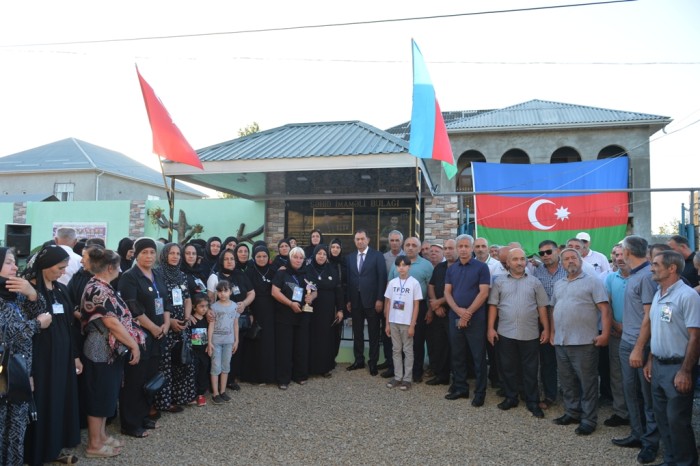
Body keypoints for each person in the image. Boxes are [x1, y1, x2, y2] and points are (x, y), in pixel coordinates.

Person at [80, 247, 143, 458]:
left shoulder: (103, 286)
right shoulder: (98, 289)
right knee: (99, 395)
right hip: (100, 349)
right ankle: (94, 444)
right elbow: (112, 323)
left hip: (108, 349)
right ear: (109, 267)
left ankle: (102, 435)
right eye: (117, 265)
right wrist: (133, 345)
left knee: (107, 394)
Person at [22, 245, 82, 466]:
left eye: (65, 267)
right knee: (43, 402)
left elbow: (68, 324)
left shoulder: (60, 289)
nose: (63, 272)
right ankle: (38, 452)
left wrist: (74, 355)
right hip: (41, 359)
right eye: (59, 267)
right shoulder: (29, 292)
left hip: (62, 357)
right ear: (45, 267)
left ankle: (54, 447)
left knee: (58, 401)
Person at [644, 250, 700, 466]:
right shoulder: (659, 293)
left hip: (678, 367)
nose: (652, 267)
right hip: (658, 365)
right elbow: (658, 331)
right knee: (663, 419)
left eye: (656, 264)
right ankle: (670, 460)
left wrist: (686, 371)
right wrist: (650, 359)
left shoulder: (688, 296)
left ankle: (686, 462)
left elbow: (695, 337)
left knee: (677, 420)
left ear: (672, 268)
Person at [550, 248, 611, 436]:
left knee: (588, 383)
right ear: (561, 263)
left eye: (573, 258)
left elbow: (605, 310)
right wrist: (552, 332)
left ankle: (589, 419)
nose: (570, 261)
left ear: (580, 260)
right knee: (567, 381)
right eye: (566, 259)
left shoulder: (593, 282)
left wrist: (605, 334)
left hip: (584, 341)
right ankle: (572, 412)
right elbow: (554, 308)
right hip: (561, 341)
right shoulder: (558, 283)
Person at [612, 235, 660, 464]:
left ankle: (651, 443)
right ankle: (637, 434)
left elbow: (649, 317)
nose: (620, 254)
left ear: (628, 252)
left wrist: (639, 348)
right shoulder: (634, 275)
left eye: (621, 250)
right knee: (631, 391)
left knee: (647, 396)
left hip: (640, 345)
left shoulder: (647, 277)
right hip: (628, 342)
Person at [0, 247, 50, 466]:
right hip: (3, 372)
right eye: (9, 262)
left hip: (19, 370)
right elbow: (8, 333)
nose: (15, 267)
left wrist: (32, 293)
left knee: (17, 426)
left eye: (14, 262)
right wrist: (37, 324)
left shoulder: (15, 292)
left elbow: (41, 310)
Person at [487, 248, 550, 418]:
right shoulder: (500, 282)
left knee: (530, 369)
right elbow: (493, 305)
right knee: (508, 368)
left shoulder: (535, 282)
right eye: (515, 259)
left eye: (522, 259)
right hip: (505, 332)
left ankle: (532, 401)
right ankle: (511, 397)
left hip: (529, 333)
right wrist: (490, 328)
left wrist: (546, 329)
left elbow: (542, 307)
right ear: (508, 262)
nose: (520, 262)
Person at [118, 237, 170, 438]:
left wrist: (165, 323)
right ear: (136, 254)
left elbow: (164, 300)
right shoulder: (129, 277)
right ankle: (130, 423)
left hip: (159, 334)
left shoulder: (157, 273)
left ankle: (143, 415)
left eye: (151, 252)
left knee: (150, 377)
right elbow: (132, 307)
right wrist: (153, 328)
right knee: (135, 379)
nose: (148, 256)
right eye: (144, 252)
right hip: (140, 336)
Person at [444, 234, 490, 406]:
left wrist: (467, 313)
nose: (463, 249)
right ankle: (461, 388)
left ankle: (480, 393)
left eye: (466, 246)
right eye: (460, 246)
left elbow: (484, 293)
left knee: (478, 357)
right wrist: (458, 311)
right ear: (457, 248)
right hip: (454, 317)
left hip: (476, 319)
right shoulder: (452, 269)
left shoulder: (481, 267)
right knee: (457, 355)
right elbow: (447, 292)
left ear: (471, 248)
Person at [206, 248, 255, 388]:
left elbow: (252, 293)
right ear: (221, 261)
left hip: (238, 319)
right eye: (226, 259)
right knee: (219, 353)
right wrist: (209, 311)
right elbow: (209, 298)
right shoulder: (215, 277)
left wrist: (244, 303)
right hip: (221, 322)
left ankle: (231, 379)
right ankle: (217, 383)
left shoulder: (241, 275)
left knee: (235, 349)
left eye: (232, 259)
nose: (230, 261)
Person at [387, 236, 433, 383]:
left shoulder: (427, 265)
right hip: (396, 312)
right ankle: (397, 373)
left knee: (417, 342)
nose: (411, 247)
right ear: (403, 247)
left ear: (419, 248)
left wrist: (430, 309)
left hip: (417, 309)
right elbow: (389, 289)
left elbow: (431, 288)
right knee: (397, 346)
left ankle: (416, 372)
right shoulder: (397, 265)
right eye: (408, 245)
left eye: (414, 245)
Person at [156, 243, 195, 413]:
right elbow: (157, 303)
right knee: (166, 364)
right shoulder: (157, 275)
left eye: (178, 254)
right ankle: (165, 401)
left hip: (182, 325)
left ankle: (181, 396)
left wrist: (186, 318)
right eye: (171, 253)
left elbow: (187, 299)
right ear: (164, 255)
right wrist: (170, 320)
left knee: (183, 360)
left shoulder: (182, 276)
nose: (175, 256)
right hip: (166, 325)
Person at [345, 229, 387, 376]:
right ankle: (359, 360)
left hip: (373, 301)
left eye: (362, 239)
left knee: (374, 333)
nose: (360, 241)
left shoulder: (377, 256)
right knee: (357, 332)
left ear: (368, 240)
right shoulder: (350, 257)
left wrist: (380, 299)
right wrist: (349, 299)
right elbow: (349, 280)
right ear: (354, 241)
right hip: (356, 302)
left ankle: (373, 362)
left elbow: (382, 278)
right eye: (357, 239)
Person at [532, 239, 567, 409]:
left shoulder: (568, 269)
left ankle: (572, 396)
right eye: (542, 253)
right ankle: (550, 395)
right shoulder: (537, 272)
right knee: (547, 361)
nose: (545, 256)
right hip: (544, 320)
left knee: (569, 361)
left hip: (567, 320)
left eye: (548, 252)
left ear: (558, 251)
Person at [271, 247, 313, 389]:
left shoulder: (307, 273)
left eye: (301, 258)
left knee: (301, 347)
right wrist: (290, 303)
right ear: (290, 258)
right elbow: (275, 292)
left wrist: (311, 296)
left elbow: (315, 291)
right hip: (285, 316)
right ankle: (283, 379)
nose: (298, 260)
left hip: (303, 316)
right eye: (295, 257)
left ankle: (300, 376)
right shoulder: (282, 273)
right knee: (285, 348)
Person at [602, 244, 631, 429]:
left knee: (636, 375)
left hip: (636, 335)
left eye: (622, 254)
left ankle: (640, 412)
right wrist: (614, 324)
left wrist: (627, 328)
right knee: (617, 374)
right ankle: (621, 412)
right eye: (615, 254)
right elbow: (606, 305)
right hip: (615, 334)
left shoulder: (641, 278)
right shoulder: (610, 278)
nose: (618, 257)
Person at [383, 256, 423, 391]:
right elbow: (388, 303)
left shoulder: (414, 283)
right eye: (399, 265)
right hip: (394, 321)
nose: (401, 268)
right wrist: (387, 323)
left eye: (404, 265)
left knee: (408, 350)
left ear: (409, 267)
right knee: (396, 350)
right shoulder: (393, 283)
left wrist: (412, 325)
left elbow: (416, 305)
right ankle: (397, 377)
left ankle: (407, 379)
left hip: (407, 322)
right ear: (396, 267)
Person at [305, 244, 344, 377]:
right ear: (314, 255)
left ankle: (325, 367)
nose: (321, 256)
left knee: (326, 338)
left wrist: (340, 309)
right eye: (319, 253)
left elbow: (338, 290)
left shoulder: (331, 269)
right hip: (312, 310)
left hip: (328, 310)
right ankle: (311, 367)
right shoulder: (308, 269)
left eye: (324, 254)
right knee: (312, 337)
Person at [425, 238, 456, 386]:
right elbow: (431, 286)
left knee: (455, 346)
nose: (448, 251)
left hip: (454, 313)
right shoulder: (439, 267)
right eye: (446, 248)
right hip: (439, 313)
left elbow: (457, 290)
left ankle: (457, 379)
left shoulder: (460, 267)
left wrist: (439, 302)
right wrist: (436, 305)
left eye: (451, 248)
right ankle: (441, 376)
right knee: (440, 345)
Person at [245, 244, 277, 384]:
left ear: (268, 257)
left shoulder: (274, 271)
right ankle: (254, 376)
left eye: (264, 256)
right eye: (258, 256)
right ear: (254, 257)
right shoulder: (249, 272)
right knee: (255, 342)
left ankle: (268, 375)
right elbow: (246, 293)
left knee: (268, 343)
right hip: (255, 310)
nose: (262, 259)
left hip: (271, 312)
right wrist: (250, 312)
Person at [207, 280, 239, 404]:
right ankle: (215, 393)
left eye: (225, 291)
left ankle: (223, 391)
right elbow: (211, 325)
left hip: (229, 341)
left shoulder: (234, 306)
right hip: (216, 341)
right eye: (220, 291)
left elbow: (235, 324)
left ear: (230, 291)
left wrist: (236, 340)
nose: (223, 294)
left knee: (226, 366)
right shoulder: (214, 307)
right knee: (215, 366)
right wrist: (209, 342)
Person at [189, 294, 211, 407]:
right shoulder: (191, 320)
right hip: (193, 351)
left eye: (206, 306)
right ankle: (192, 394)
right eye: (201, 306)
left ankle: (201, 394)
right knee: (193, 372)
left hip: (204, 351)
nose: (204, 309)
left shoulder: (207, 320)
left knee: (203, 371)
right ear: (194, 307)